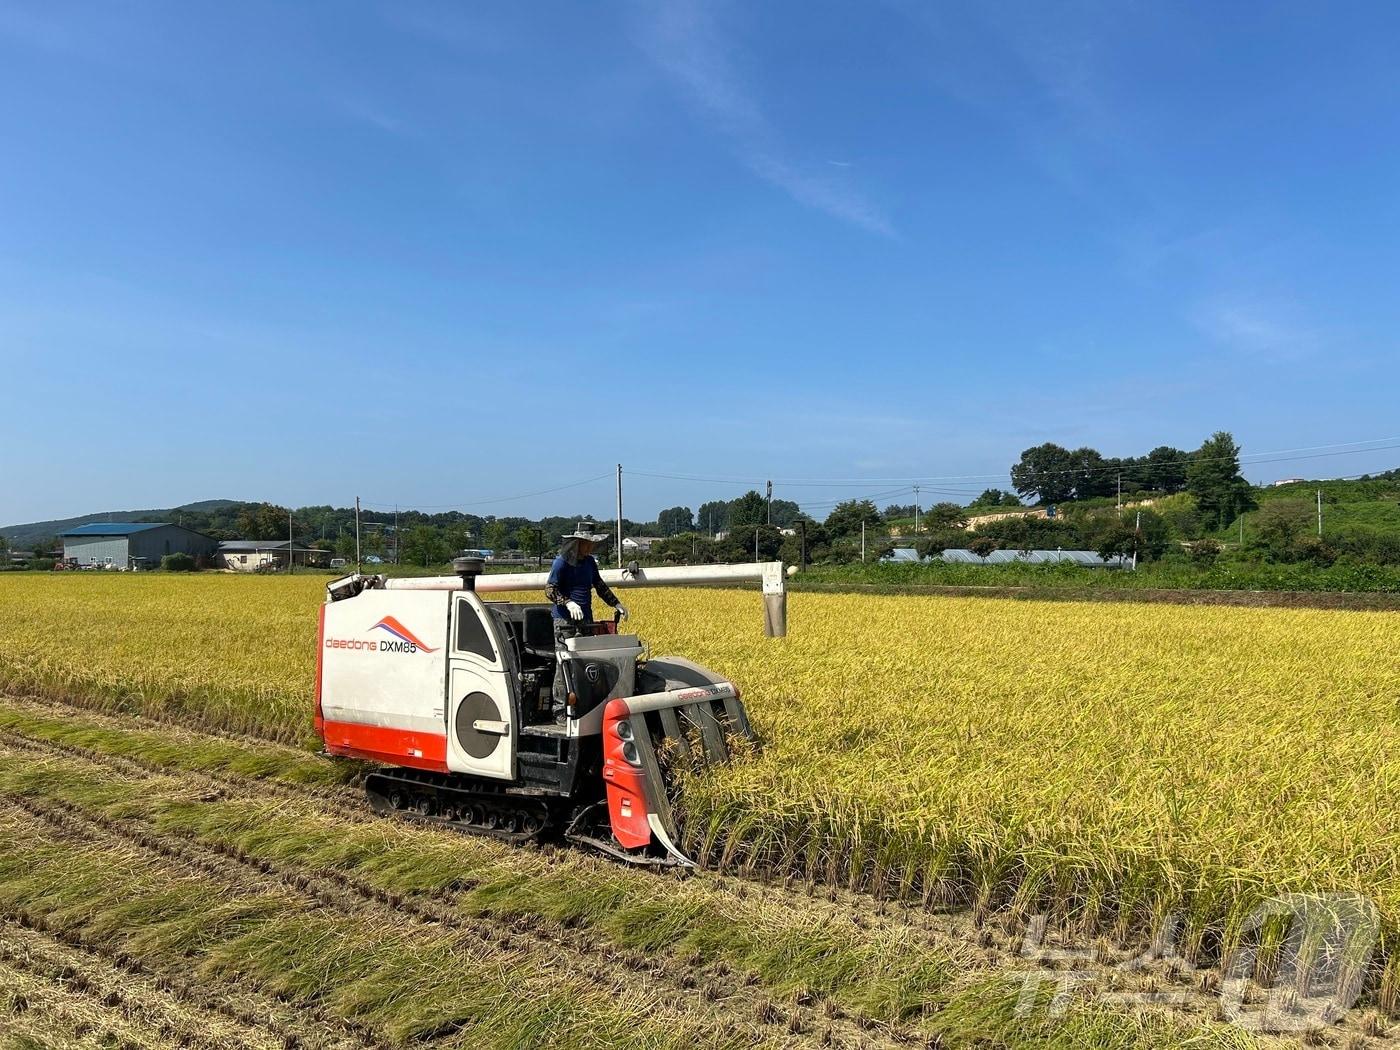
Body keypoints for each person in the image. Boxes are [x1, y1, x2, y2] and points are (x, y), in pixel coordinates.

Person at [545, 521, 628, 643]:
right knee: (566, 655)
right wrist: (568, 603)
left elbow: (599, 585)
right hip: (564, 619)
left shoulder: (590, 562)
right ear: (577, 543)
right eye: (586, 544)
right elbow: (550, 590)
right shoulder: (561, 563)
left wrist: (616, 604)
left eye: (592, 544)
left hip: (586, 618)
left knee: (587, 654)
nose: (590, 548)